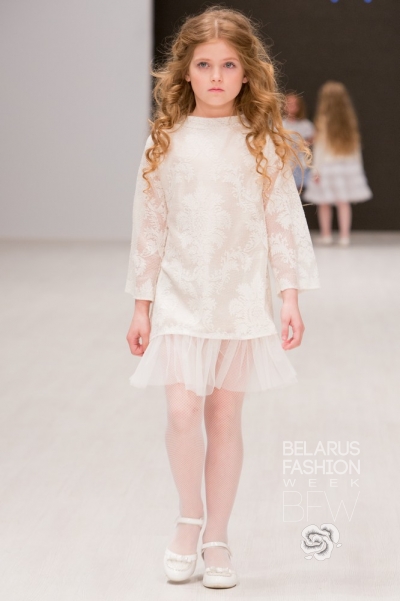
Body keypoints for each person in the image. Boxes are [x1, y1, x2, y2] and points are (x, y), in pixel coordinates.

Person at [125, 6, 320, 589]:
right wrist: (141, 305)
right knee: (182, 412)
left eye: (229, 65)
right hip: (180, 294)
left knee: (224, 416)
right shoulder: (166, 140)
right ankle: (188, 519)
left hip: (239, 297)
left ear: (247, 71)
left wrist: (289, 295)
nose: (216, 76)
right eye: (204, 64)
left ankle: (218, 537)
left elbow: (282, 222)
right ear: (185, 71)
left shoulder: (261, 143)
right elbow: (150, 226)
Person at [303, 81, 373, 246]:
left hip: (327, 167)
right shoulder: (349, 120)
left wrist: (315, 170)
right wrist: (358, 168)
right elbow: (356, 149)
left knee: (324, 203)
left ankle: (326, 235)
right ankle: (344, 237)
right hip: (347, 166)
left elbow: (320, 149)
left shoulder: (322, 120)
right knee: (343, 202)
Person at [282, 91, 315, 193]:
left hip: (300, 163)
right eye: (289, 104)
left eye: (294, 104)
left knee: (298, 189)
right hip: (285, 163)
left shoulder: (306, 125)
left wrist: (305, 144)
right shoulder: (280, 123)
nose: (291, 107)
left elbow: (313, 139)